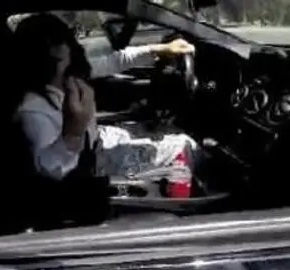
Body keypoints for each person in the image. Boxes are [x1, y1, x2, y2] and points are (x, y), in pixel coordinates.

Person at [11, 13, 203, 187]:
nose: (62, 48)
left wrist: (160, 49)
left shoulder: (71, 73)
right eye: (50, 46)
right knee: (186, 145)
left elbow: (116, 61)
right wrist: (73, 132)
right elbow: (50, 169)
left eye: (61, 40)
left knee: (169, 132)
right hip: (93, 163)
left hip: (101, 139)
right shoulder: (34, 110)